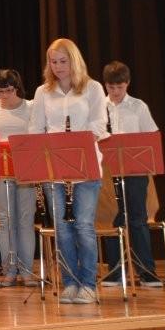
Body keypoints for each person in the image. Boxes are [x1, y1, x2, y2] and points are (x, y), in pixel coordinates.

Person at [28, 38, 108, 304]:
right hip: (54, 167)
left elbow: (99, 123)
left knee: (83, 226)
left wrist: (76, 142)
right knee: (62, 229)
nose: (58, 66)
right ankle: (70, 283)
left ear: (74, 61)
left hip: (85, 165)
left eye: (63, 61)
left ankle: (88, 284)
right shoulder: (43, 92)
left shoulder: (93, 88)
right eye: (53, 62)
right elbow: (35, 128)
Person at [101, 61, 162, 288]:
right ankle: (115, 272)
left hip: (135, 171)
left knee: (137, 218)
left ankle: (147, 272)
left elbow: (151, 137)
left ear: (127, 83)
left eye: (120, 87)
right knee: (112, 219)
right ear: (105, 85)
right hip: (108, 173)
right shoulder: (99, 107)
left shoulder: (138, 106)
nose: (115, 92)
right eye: (111, 87)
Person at [0, 69, 36, 287]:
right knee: (5, 220)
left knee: (25, 219)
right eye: (0, 91)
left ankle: (27, 271)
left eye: (9, 91)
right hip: (0, 169)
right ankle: (9, 270)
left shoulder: (30, 106)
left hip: (25, 168)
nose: (5, 95)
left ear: (17, 88)